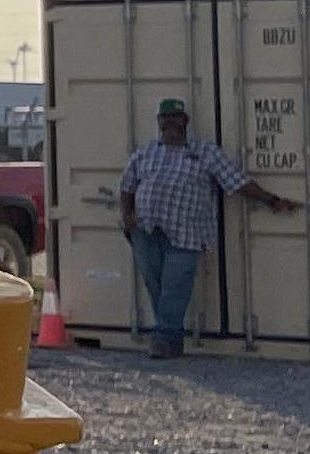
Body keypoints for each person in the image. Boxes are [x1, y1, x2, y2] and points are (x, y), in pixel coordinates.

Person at [116, 100, 299, 358]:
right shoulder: (145, 153)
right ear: (158, 122)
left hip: (186, 235)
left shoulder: (205, 153)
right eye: (164, 117)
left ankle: (164, 339)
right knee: (154, 285)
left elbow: (237, 182)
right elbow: (126, 186)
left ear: (185, 121)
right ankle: (170, 337)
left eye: (174, 117)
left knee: (174, 287)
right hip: (145, 232)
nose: (169, 122)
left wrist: (271, 200)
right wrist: (127, 216)